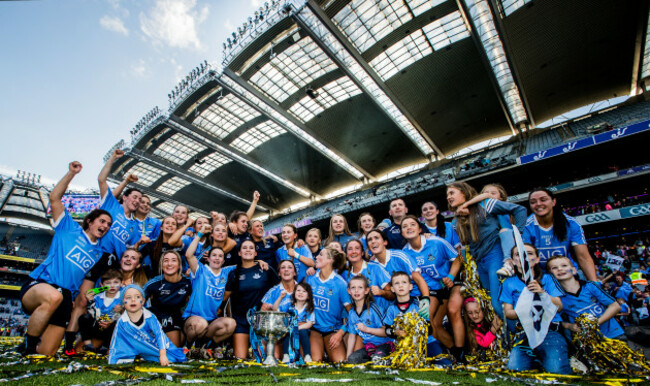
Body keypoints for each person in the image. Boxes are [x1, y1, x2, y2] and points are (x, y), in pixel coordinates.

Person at [19, 161, 111, 356]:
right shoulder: (68, 228)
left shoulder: (100, 251)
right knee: (54, 296)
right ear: (89, 221)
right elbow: (54, 198)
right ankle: (27, 347)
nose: (105, 225)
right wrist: (71, 174)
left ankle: (37, 345)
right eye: (102, 221)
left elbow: (92, 286)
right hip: (40, 285)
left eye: (108, 224)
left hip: (65, 298)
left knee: (47, 353)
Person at [447, 181, 527, 319]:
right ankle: (509, 337)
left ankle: (521, 334)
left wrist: (517, 236)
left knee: (498, 303)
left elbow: (520, 210)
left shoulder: (485, 204)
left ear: (464, 193)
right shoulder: (456, 220)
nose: (448, 197)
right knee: (491, 302)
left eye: (452, 193)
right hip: (480, 261)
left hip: (495, 255)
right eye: (447, 194)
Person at [400, 215, 464, 361]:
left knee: (427, 320)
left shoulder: (436, 242)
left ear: (420, 229)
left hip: (444, 287)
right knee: (434, 326)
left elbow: (458, 258)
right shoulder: (405, 252)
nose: (409, 228)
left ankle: (445, 355)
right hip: (427, 291)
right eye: (404, 226)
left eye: (412, 224)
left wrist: (451, 276)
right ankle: (456, 355)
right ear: (402, 233)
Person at [499, 243, 570, 374]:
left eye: (529, 253)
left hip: (550, 332)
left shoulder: (548, 279)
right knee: (515, 370)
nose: (524, 256)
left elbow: (559, 306)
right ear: (514, 261)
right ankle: (538, 359)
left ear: (537, 259)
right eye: (518, 254)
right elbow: (508, 313)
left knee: (556, 371)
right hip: (525, 335)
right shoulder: (508, 283)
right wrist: (524, 307)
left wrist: (542, 293)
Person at [183, 225, 236, 356]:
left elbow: (246, 264)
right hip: (193, 318)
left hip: (211, 320)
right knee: (200, 325)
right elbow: (189, 254)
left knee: (231, 324)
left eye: (220, 256)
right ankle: (188, 346)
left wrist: (259, 261)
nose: (217, 258)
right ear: (208, 258)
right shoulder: (200, 270)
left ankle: (206, 346)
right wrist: (199, 234)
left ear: (223, 260)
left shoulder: (226, 271)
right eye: (214, 255)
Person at [523, 188, 597, 281]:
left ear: (553, 202)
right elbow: (527, 260)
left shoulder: (571, 223)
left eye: (543, 200)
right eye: (533, 202)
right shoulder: (526, 226)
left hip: (567, 274)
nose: (538, 204)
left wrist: (595, 285)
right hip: (541, 277)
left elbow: (583, 258)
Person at [547, 255, 624, 338]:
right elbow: (555, 321)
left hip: (614, 335)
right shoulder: (556, 298)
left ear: (574, 270)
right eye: (554, 268)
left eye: (564, 265)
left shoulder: (590, 286)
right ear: (550, 275)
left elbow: (615, 306)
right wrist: (568, 326)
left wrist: (594, 324)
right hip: (587, 341)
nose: (560, 269)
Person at [225, 239, 279, 359]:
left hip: (261, 320)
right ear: (239, 253)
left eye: (251, 248)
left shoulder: (265, 269)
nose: (248, 250)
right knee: (240, 357)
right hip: (241, 320)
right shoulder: (233, 273)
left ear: (255, 253)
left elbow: (279, 289)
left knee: (261, 357)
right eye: (244, 248)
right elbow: (225, 297)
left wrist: (270, 305)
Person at [108, 284, 186, 365]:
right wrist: (113, 360)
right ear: (123, 303)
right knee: (121, 360)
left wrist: (162, 355)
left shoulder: (150, 317)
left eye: (137, 297)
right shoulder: (122, 321)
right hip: (134, 347)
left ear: (143, 301)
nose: (133, 300)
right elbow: (116, 340)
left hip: (154, 347)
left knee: (173, 358)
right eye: (128, 298)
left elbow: (160, 335)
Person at [382, 272, 449, 363]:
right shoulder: (391, 308)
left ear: (410, 286)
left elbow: (430, 329)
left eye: (404, 282)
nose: (400, 286)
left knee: (444, 364)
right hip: (404, 345)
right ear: (392, 289)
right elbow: (387, 330)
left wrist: (415, 330)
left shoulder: (419, 305)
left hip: (426, 343)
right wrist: (395, 332)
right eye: (397, 283)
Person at [456, 184, 516, 277]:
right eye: (486, 192)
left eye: (493, 193)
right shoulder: (480, 215)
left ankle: (509, 263)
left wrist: (468, 203)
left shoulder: (502, 212)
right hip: (481, 256)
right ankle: (469, 272)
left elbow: (486, 197)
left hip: (498, 254)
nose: (489, 195)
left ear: (501, 198)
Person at [366, 229, 430, 311]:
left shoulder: (399, 256)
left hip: (417, 295)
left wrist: (425, 298)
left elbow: (418, 279)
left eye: (376, 238)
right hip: (397, 302)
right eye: (370, 240)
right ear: (368, 246)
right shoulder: (372, 266)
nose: (373, 241)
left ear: (385, 242)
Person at [305, 247, 349, 362]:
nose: (316, 257)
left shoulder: (341, 284)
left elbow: (352, 313)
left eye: (321, 255)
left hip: (333, 330)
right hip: (314, 329)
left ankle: (327, 351)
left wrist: (340, 333)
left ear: (330, 260)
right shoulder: (311, 278)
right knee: (314, 361)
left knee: (340, 362)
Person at [144, 251, 192, 348]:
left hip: (177, 319)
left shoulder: (188, 283)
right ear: (161, 265)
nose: (169, 264)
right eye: (166, 261)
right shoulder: (154, 283)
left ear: (179, 265)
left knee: (172, 349)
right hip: (156, 318)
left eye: (173, 260)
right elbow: (137, 299)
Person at [346, 275, 393, 364]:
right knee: (352, 359)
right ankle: (371, 358)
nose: (356, 290)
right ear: (349, 291)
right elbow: (352, 336)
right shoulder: (352, 313)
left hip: (384, 344)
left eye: (360, 287)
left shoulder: (373, 309)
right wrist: (347, 357)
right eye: (353, 288)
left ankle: (388, 358)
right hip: (369, 346)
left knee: (377, 359)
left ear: (366, 290)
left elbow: (385, 332)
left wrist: (367, 329)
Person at [78, 269, 123, 354]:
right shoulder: (97, 298)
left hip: (111, 328)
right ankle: (88, 345)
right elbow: (93, 314)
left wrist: (121, 311)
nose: (112, 286)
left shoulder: (122, 298)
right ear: (102, 285)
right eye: (108, 283)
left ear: (121, 283)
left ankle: (105, 346)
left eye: (116, 282)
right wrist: (91, 301)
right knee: (84, 318)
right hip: (98, 325)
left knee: (116, 324)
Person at [342, 239, 393, 311]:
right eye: (350, 249)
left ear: (362, 252)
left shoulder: (375, 268)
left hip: (383, 316)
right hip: (361, 319)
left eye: (357, 248)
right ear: (346, 254)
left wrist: (382, 292)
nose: (353, 252)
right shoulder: (344, 274)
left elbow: (392, 294)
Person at [272, 282, 315, 363]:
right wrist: (280, 297)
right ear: (294, 293)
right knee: (286, 332)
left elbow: (309, 324)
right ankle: (286, 355)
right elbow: (275, 309)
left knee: (303, 332)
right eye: (298, 290)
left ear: (308, 295)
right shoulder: (289, 305)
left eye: (304, 291)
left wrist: (296, 328)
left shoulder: (309, 308)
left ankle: (307, 355)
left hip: (301, 329)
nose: (301, 293)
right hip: (290, 330)